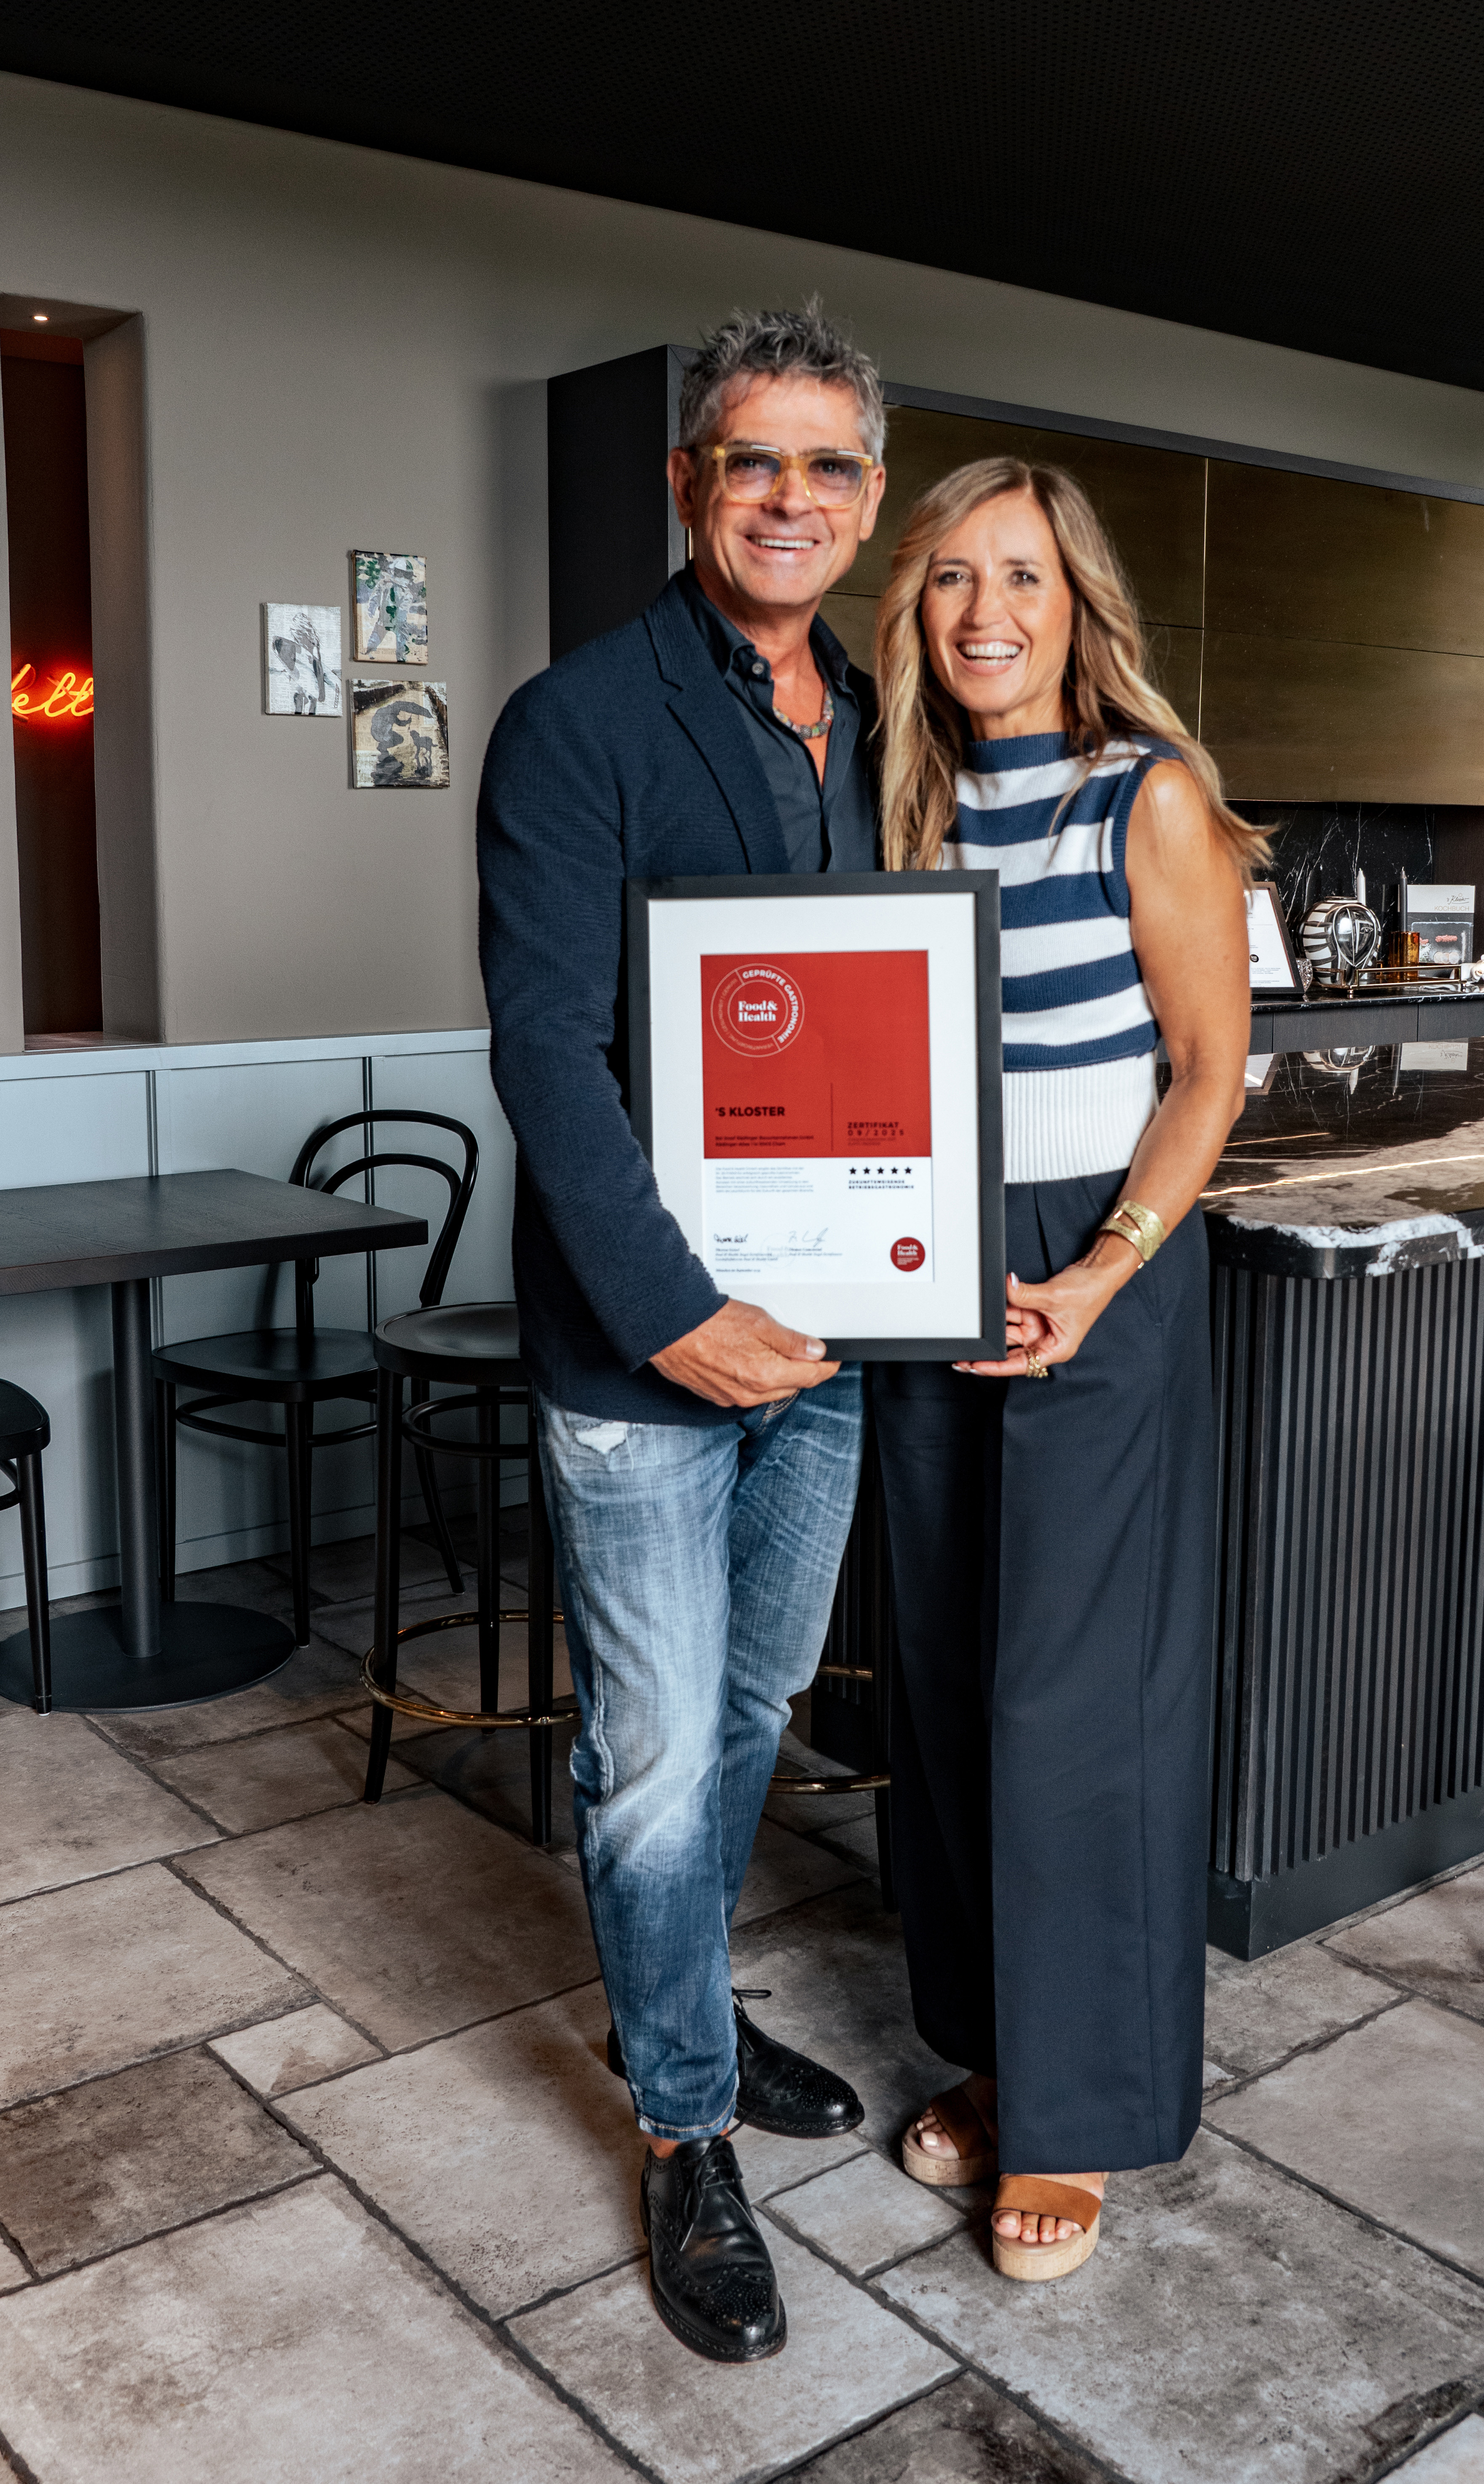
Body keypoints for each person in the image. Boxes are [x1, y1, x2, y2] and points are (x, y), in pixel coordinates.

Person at [477, 305, 888, 2362]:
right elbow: (547, 1054)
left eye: (828, 467)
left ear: (869, 501)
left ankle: (686, 2023)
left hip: (834, 1353)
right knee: (648, 1765)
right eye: (755, 461)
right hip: (645, 1357)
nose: (790, 499)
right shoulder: (581, 718)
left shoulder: (879, 718)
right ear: (689, 484)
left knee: (749, 1728)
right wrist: (676, 1314)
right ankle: (687, 2126)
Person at [869, 457, 1263, 2281]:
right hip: (925, 1257)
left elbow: (1206, 1070)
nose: (986, 615)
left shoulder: (1147, 797)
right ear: (915, 607)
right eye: (950, 579)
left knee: (1073, 1700)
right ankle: (1007, 2051)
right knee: (946, 1672)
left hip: (1100, 1260)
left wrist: (1103, 1268)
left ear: (1075, 596)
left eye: (1018, 576)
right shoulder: (905, 801)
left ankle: (1087, 2109)